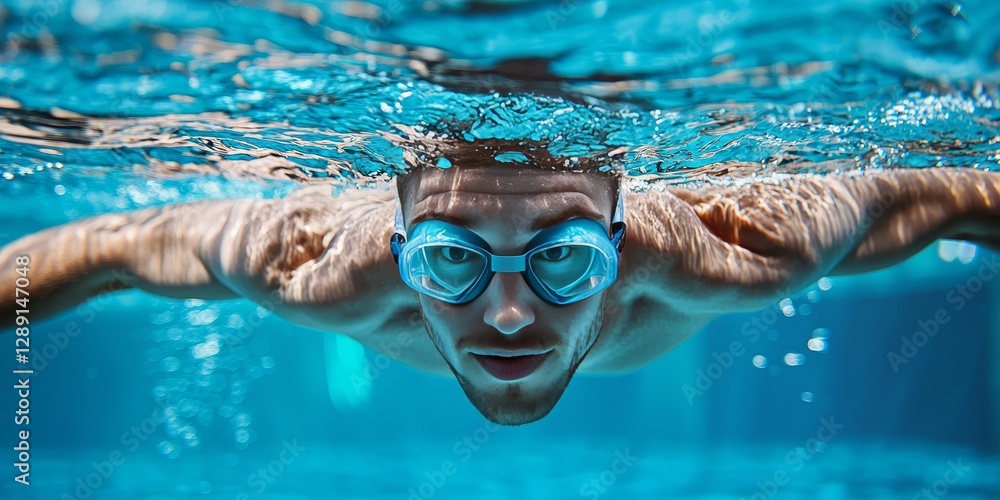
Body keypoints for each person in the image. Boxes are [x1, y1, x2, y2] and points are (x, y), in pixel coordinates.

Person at [2, 139, 998, 425]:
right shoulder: (312, 265)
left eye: (566, 256)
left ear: (620, 246)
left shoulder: (741, 247)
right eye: (451, 257)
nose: (510, 312)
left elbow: (955, 194)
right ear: (400, 252)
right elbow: (107, 245)